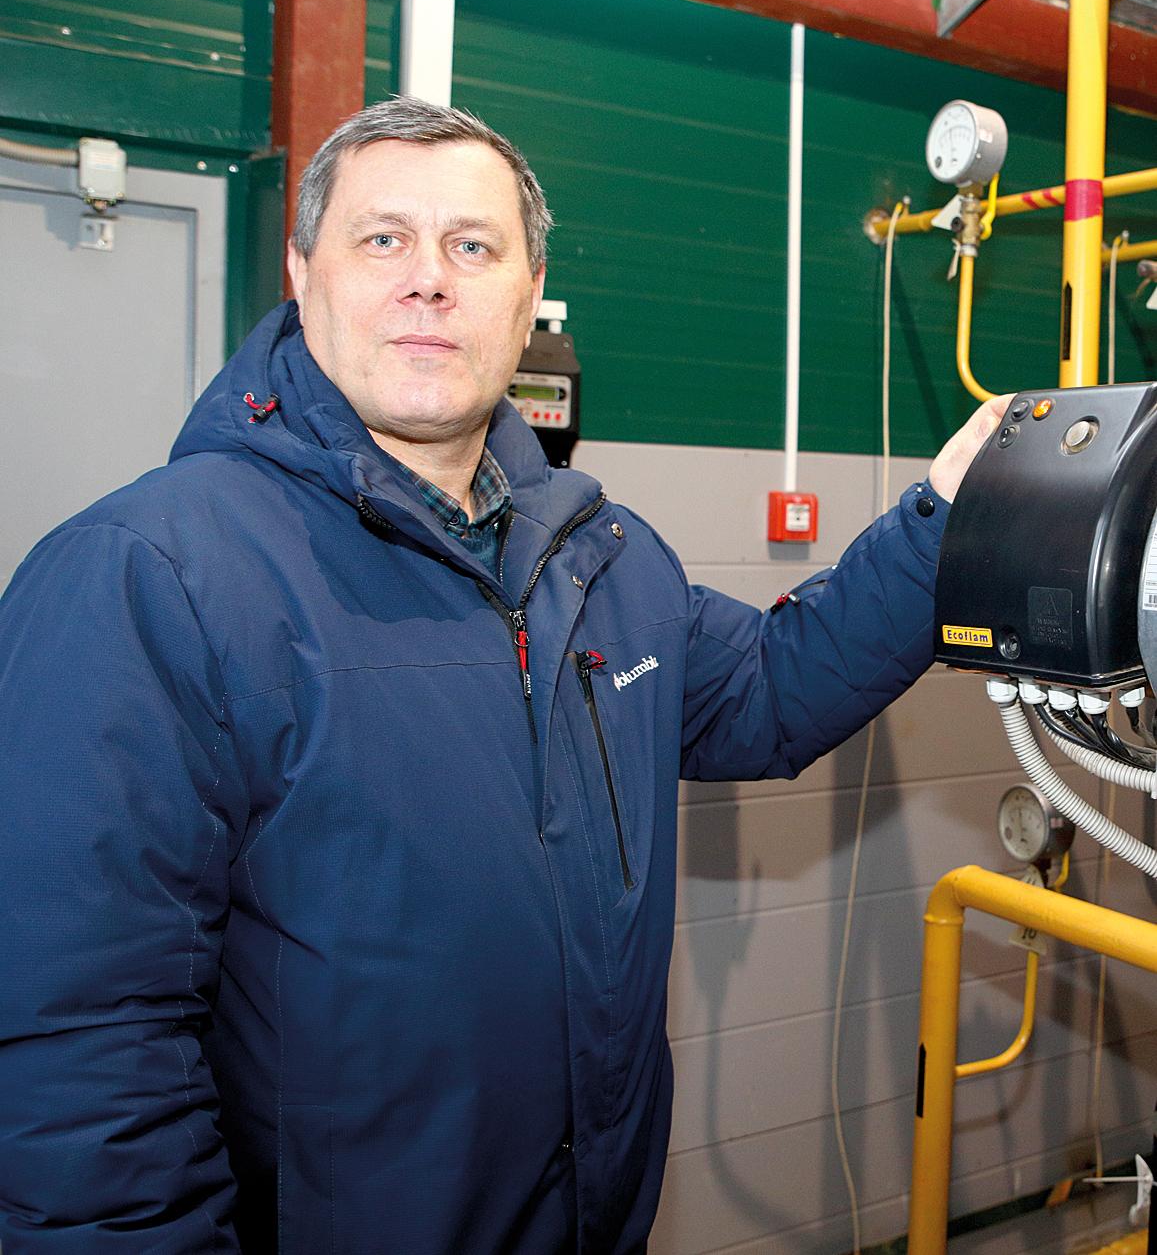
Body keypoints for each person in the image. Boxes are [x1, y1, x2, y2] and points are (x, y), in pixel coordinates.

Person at [0, 97, 1007, 1254]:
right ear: (302, 273)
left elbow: (771, 691)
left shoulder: (598, 557)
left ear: (527, 298)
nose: (428, 280)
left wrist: (944, 516)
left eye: (472, 247)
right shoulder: (146, 575)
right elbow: (79, 1052)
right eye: (383, 238)